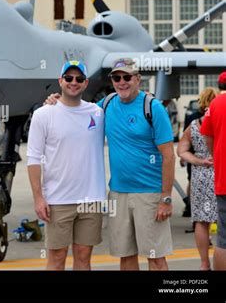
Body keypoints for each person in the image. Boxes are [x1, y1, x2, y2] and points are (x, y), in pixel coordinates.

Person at [45, 58, 175, 270]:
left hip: (150, 194)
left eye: (127, 77)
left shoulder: (153, 107)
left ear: (138, 79)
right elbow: (76, 110)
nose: (122, 82)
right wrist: (56, 100)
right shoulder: (105, 105)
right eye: (116, 77)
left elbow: (169, 155)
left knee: (156, 258)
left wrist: (166, 198)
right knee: (126, 256)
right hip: (118, 194)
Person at [27, 60, 105, 271]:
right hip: (57, 200)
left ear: (86, 83)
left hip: (91, 199)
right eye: (68, 78)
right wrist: (38, 198)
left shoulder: (98, 113)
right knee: (57, 259)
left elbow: (123, 98)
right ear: (60, 81)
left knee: (83, 258)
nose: (73, 82)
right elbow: (33, 158)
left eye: (79, 79)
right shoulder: (43, 114)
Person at [177, 88, 217, 270]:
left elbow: (181, 150)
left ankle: (204, 263)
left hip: (201, 175)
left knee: (202, 221)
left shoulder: (194, 125)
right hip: (220, 172)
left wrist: (199, 160)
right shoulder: (221, 121)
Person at [200, 71, 226, 270]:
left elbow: (208, 137)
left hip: (223, 180)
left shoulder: (214, 105)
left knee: (223, 240)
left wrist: (217, 155)